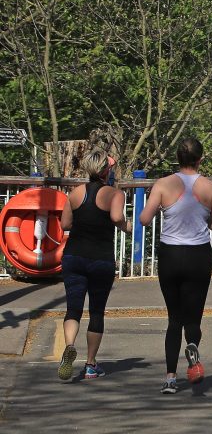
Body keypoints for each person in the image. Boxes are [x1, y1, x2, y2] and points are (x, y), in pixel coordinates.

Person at [139, 138, 212, 394]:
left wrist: (164, 209)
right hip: (198, 254)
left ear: (177, 158)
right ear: (200, 159)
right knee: (194, 315)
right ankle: (193, 349)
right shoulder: (209, 187)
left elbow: (144, 218)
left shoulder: (164, 184)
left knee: (173, 318)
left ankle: (169, 378)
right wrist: (206, 221)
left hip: (170, 254)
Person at [58, 148, 132, 381]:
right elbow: (116, 218)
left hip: (73, 256)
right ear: (106, 171)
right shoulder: (114, 194)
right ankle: (90, 364)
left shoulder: (75, 193)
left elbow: (65, 224)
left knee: (73, 308)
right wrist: (127, 227)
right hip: (100, 258)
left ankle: (69, 345)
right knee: (97, 310)